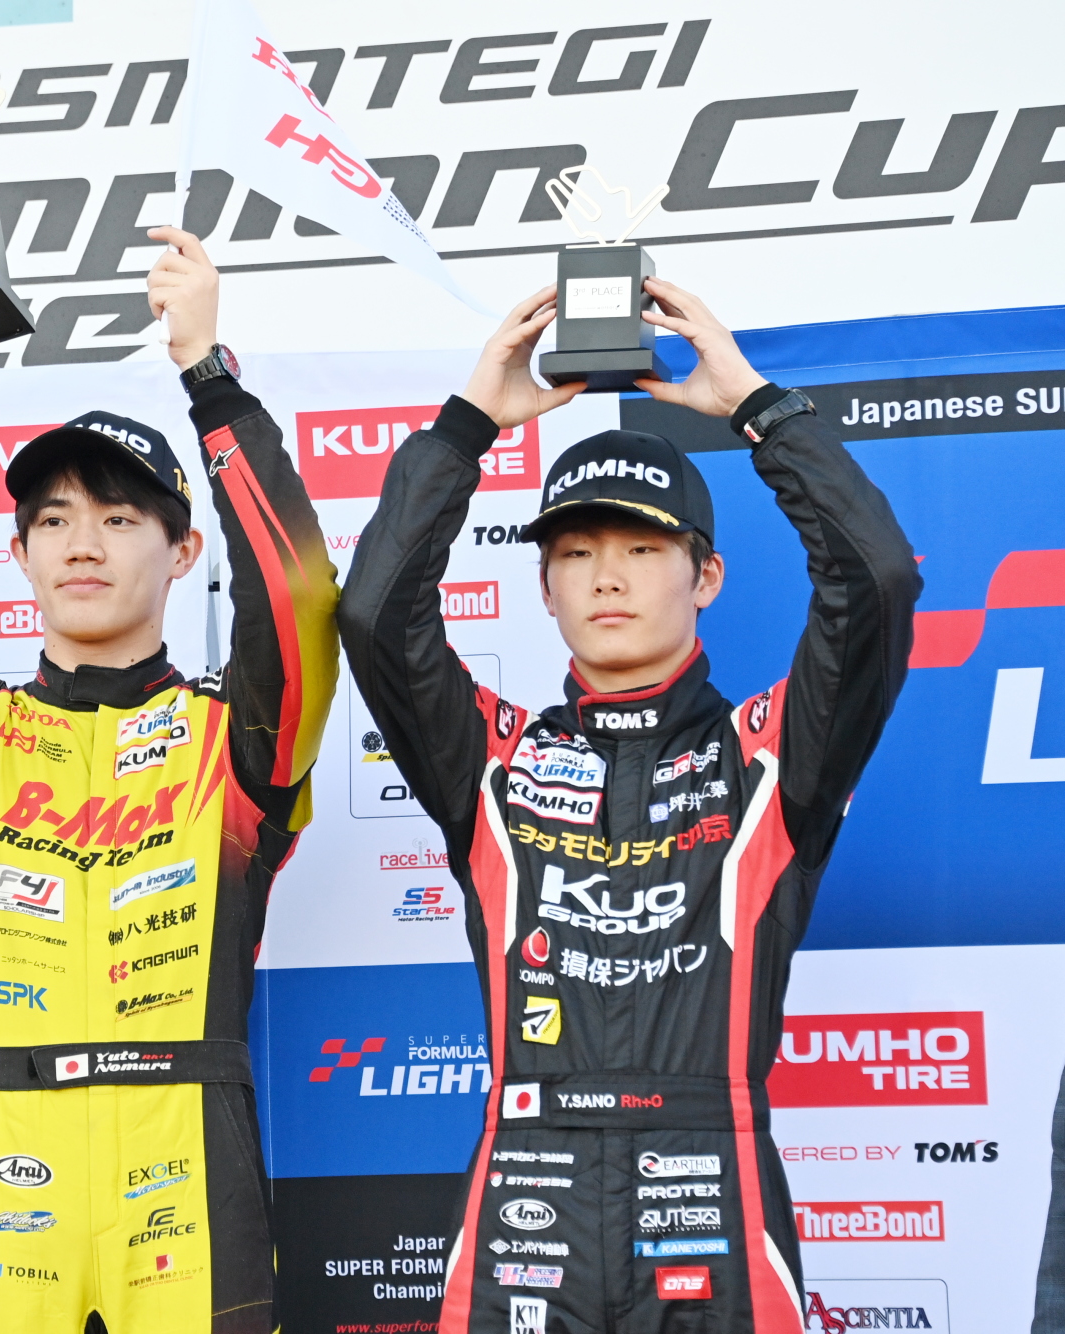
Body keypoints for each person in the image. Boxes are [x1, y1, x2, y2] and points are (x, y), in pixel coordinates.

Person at [338, 279, 920, 1333]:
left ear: (706, 576)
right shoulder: (493, 759)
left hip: (716, 1189)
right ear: (542, 588)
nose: (606, 577)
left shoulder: (769, 755)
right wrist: (468, 424)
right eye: (575, 552)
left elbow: (873, 578)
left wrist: (757, 407)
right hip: (524, 1190)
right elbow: (376, 613)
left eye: (642, 548)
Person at [0, 228, 338, 1334]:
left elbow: (299, 598)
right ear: (19, 554)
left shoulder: (237, 735)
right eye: (53, 520)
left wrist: (207, 375)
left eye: (119, 518)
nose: (82, 544)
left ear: (182, 553)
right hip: (10, 1156)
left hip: (188, 1154)